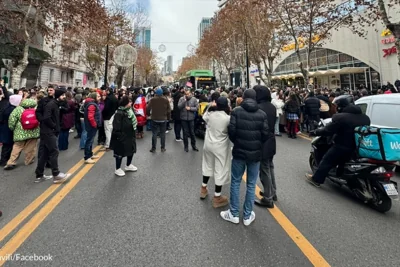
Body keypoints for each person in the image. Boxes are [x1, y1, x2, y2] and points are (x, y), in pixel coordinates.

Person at [220, 89, 269, 226]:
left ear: (243, 98)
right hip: (255, 154)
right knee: (251, 184)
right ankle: (247, 215)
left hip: (239, 152)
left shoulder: (236, 111)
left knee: (235, 182)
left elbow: (232, 131)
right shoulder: (262, 114)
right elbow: (266, 134)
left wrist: (238, 142)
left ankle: (234, 213)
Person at [306, 97, 371, 187]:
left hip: (342, 146)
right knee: (342, 160)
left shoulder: (340, 117)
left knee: (327, 160)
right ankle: (340, 175)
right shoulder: (366, 118)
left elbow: (328, 130)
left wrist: (315, 132)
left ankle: (316, 179)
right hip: (357, 147)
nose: (335, 108)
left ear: (340, 107)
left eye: (336, 106)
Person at [200, 96, 231, 208]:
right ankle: (217, 197)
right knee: (220, 169)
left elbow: (203, 115)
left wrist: (210, 106)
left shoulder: (210, 115)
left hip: (208, 144)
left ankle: (203, 188)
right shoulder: (227, 118)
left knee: (207, 165)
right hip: (221, 147)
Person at [35, 87, 70, 183]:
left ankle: (39, 174)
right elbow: (46, 118)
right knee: (54, 151)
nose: (64, 97)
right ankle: (56, 174)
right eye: (63, 95)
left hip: (47, 131)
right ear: (59, 96)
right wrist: (54, 126)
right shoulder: (52, 104)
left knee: (44, 153)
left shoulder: (55, 104)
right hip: (49, 132)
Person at [254, 86, 277, 208]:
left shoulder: (259, 108)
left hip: (263, 142)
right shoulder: (272, 106)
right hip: (272, 140)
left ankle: (268, 198)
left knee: (264, 170)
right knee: (270, 166)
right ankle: (272, 192)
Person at [5, 96, 39, 170]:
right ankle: (28, 161)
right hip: (33, 132)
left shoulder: (17, 109)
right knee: (31, 148)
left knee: (17, 147)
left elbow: (12, 121)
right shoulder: (36, 109)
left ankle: (11, 162)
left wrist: (13, 129)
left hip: (20, 132)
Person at [110, 96, 138, 177]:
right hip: (122, 136)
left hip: (130, 134)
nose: (131, 103)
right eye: (129, 102)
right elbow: (116, 126)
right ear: (125, 103)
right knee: (120, 153)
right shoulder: (119, 113)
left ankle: (128, 165)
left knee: (131, 150)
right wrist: (120, 136)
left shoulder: (130, 110)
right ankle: (117, 168)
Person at [146, 88, 171, 153]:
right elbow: (169, 110)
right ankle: (162, 148)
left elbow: (148, 108)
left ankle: (153, 148)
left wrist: (148, 114)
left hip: (154, 118)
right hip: (163, 119)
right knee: (162, 134)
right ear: (162, 93)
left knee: (154, 133)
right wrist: (168, 118)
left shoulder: (152, 99)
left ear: (156, 93)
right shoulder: (166, 100)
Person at [83, 92, 102, 164]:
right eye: (98, 96)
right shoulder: (92, 105)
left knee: (91, 140)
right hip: (91, 126)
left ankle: (90, 154)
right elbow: (90, 117)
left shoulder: (92, 104)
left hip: (91, 125)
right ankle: (87, 157)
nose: (99, 98)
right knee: (89, 141)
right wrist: (94, 125)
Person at [0, 88, 15, 166]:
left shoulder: (7, 103)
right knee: (7, 144)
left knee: (7, 144)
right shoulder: (8, 106)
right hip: (6, 127)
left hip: (5, 126)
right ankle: (4, 160)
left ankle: (4, 160)